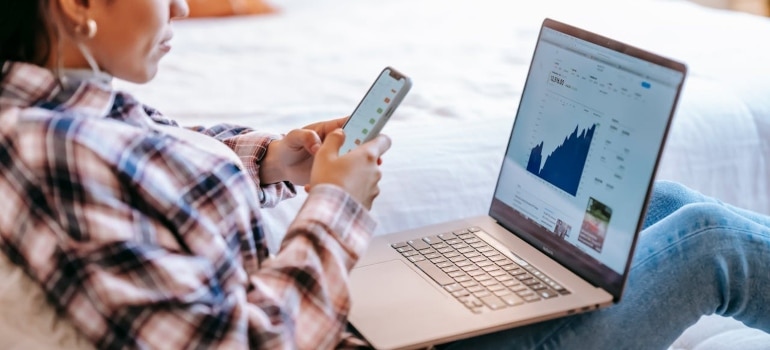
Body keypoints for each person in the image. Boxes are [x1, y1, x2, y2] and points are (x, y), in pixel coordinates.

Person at [0, 1, 768, 350]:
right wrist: (334, 205)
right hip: (332, 331)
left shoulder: (56, 115)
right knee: (706, 242)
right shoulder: (54, 154)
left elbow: (154, 161)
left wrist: (271, 157)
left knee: (660, 203)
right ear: (78, 6)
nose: (180, 9)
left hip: (351, 319)